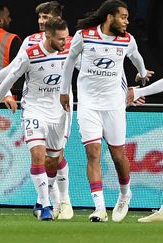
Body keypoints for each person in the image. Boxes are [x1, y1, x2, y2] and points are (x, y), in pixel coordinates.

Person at [60, 0, 151, 222]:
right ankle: (99, 208)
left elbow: (136, 56)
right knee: (92, 153)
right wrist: (64, 91)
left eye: (128, 17)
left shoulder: (127, 39)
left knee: (118, 156)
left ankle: (124, 194)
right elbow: (70, 62)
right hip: (88, 104)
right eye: (123, 17)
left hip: (114, 105)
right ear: (110, 17)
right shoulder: (85, 35)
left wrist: (141, 74)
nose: (127, 21)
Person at [0, 17, 72, 221]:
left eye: (66, 37)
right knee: (37, 155)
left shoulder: (70, 50)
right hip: (34, 111)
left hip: (59, 114)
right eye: (61, 39)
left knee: (52, 161)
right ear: (49, 35)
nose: (64, 42)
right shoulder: (30, 55)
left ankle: (41, 199)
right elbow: (8, 79)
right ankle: (45, 205)